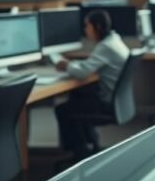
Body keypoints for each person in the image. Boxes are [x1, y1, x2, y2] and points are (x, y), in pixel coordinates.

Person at [54, 10, 129, 159]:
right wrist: (73, 64)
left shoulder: (105, 47)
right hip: (117, 101)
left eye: (87, 26)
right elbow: (89, 65)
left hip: (106, 103)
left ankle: (79, 153)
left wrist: (64, 65)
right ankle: (89, 146)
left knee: (63, 110)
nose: (85, 29)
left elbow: (81, 73)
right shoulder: (114, 40)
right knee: (77, 97)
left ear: (98, 26)